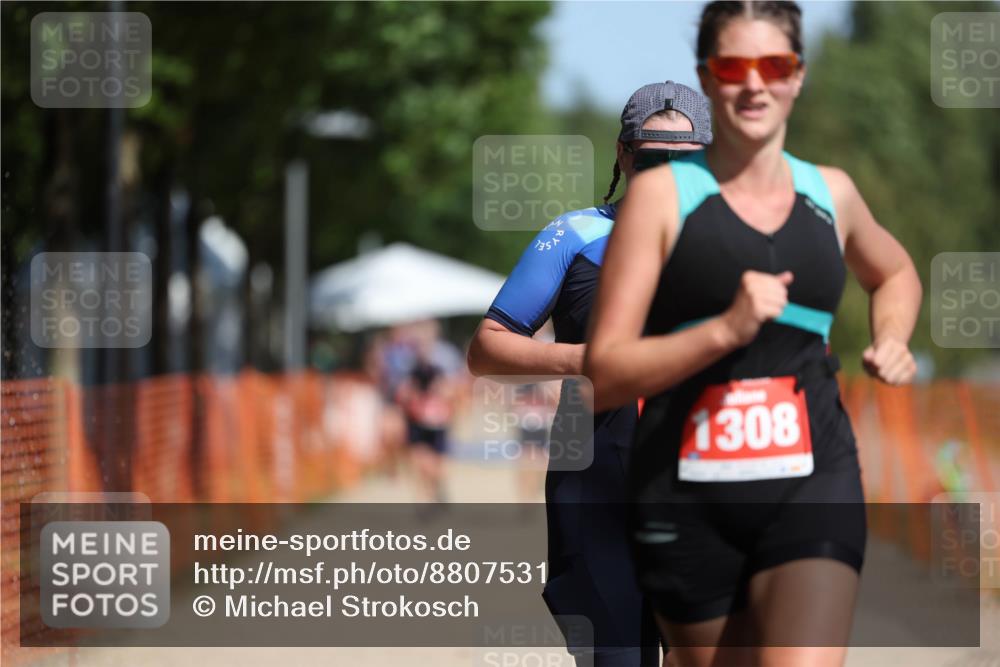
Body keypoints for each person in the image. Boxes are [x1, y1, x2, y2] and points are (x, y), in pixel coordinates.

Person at [583, 3, 922, 666]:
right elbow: (604, 373)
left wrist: (892, 336)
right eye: (733, 66)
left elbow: (898, 271)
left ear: (798, 77)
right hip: (686, 490)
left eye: (776, 64)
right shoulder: (660, 199)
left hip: (811, 476)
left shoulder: (832, 193)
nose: (755, 83)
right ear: (707, 79)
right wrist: (725, 330)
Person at [468, 81, 713, 667]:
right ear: (625, 155)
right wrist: (588, 359)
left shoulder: (744, 239)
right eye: (655, 158)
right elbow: (487, 348)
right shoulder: (575, 235)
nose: (670, 174)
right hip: (597, 477)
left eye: (690, 160)